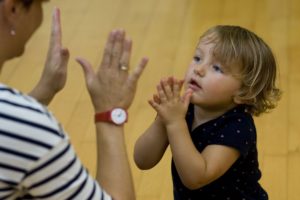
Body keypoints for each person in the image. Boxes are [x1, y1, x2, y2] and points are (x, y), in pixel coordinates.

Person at [0, 0, 148, 199]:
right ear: (13, 9)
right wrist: (110, 111)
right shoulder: (33, 131)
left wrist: (42, 93)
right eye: (40, 4)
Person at [134, 25, 281, 199]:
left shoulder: (238, 127)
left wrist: (174, 123)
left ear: (245, 93)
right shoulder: (183, 109)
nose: (199, 69)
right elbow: (143, 160)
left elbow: (196, 177)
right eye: (197, 58)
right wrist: (162, 120)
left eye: (217, 68)